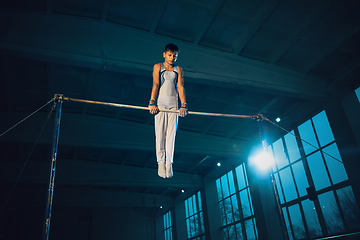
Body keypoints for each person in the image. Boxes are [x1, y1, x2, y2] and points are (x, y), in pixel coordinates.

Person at [149, 43, 187, 178]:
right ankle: (160, 162)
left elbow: (181, 87)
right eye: (170, 55)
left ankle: (169, 163)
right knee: (160, 135)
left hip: (174, 105)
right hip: (160, 104)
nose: (172, 58)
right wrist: (152, 102)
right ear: (164, 54)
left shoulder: (179, 69)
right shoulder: (158, 66)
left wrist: (183, 105)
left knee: (171, 137)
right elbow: (155, 84)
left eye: (175, 56)